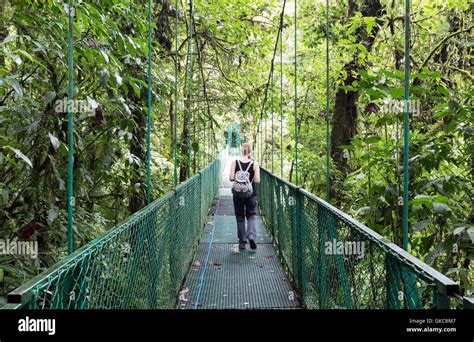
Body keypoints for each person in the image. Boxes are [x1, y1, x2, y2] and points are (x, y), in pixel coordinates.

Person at [229, 143, 260, 250]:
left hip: (238, 193)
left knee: (240, 216)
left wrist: (239, 177)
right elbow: (257, 180)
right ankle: (251, 235)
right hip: (251, 193)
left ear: (241, 151)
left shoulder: (235, 162)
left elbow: (231, 178)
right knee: (251, 215)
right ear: (250, 152)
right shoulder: (255, 164)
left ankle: (242, 242)